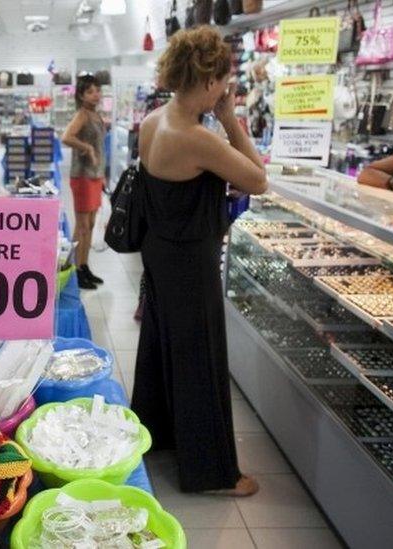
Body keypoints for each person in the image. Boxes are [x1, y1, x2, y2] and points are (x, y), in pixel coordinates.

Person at [132, 27, 268, 496]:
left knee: (162, 344)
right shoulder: (197, 137)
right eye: (223, 81)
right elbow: (257, 180)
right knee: (201, 358)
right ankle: (214, 473)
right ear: (211, 79)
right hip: (190, 259)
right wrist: (232, 121)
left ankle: (161, 435)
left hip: (161, 251)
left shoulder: (154, 120)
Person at [62, 75, 107, 290]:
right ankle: (74, 269)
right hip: (82, 176)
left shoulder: (95, 115)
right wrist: (86, 148)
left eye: (97, 90)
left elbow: (99, 146)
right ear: (81, 95)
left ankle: (83, 266)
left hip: (95, 176)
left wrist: (102, 173)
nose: (96, 94)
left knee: (89, 225)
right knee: (82, 226)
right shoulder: (82, 115)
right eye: (90, 91)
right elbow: (66, 137)